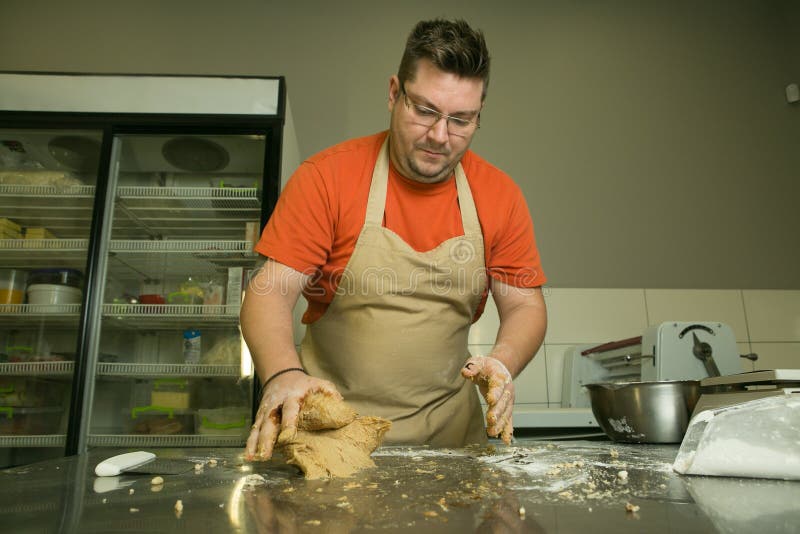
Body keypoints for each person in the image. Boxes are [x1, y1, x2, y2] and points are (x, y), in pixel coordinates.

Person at [242, 18, 547, 461]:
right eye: (424, 110)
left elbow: (525, 306)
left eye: (461, 120)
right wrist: (282, 374)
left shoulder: (499, 196)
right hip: (332, 440)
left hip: (451, 448)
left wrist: (503, 361)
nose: (439, 136)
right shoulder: (327, 179)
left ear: (478, 115)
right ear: (393, 93)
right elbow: (269, 292)